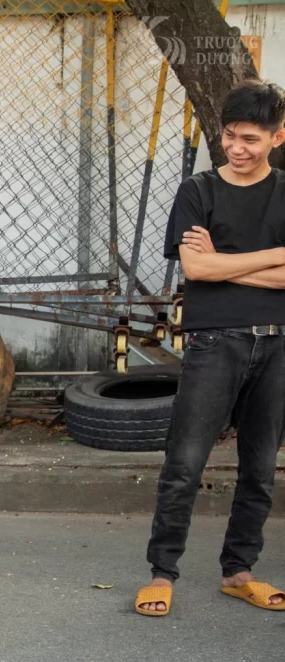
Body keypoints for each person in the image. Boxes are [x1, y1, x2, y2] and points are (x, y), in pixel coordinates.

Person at [136, 79, 285, 617]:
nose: (237, 148)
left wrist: (228, 265)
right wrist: (274, 259)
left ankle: (238, 571)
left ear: (277, 137)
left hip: (277, 346)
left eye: (251, 138)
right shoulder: (197, 190)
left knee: (260, 468)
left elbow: (214, 269)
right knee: (185, 462)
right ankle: (161, 572)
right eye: (229, 135)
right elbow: (196, 268)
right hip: (213, 343)